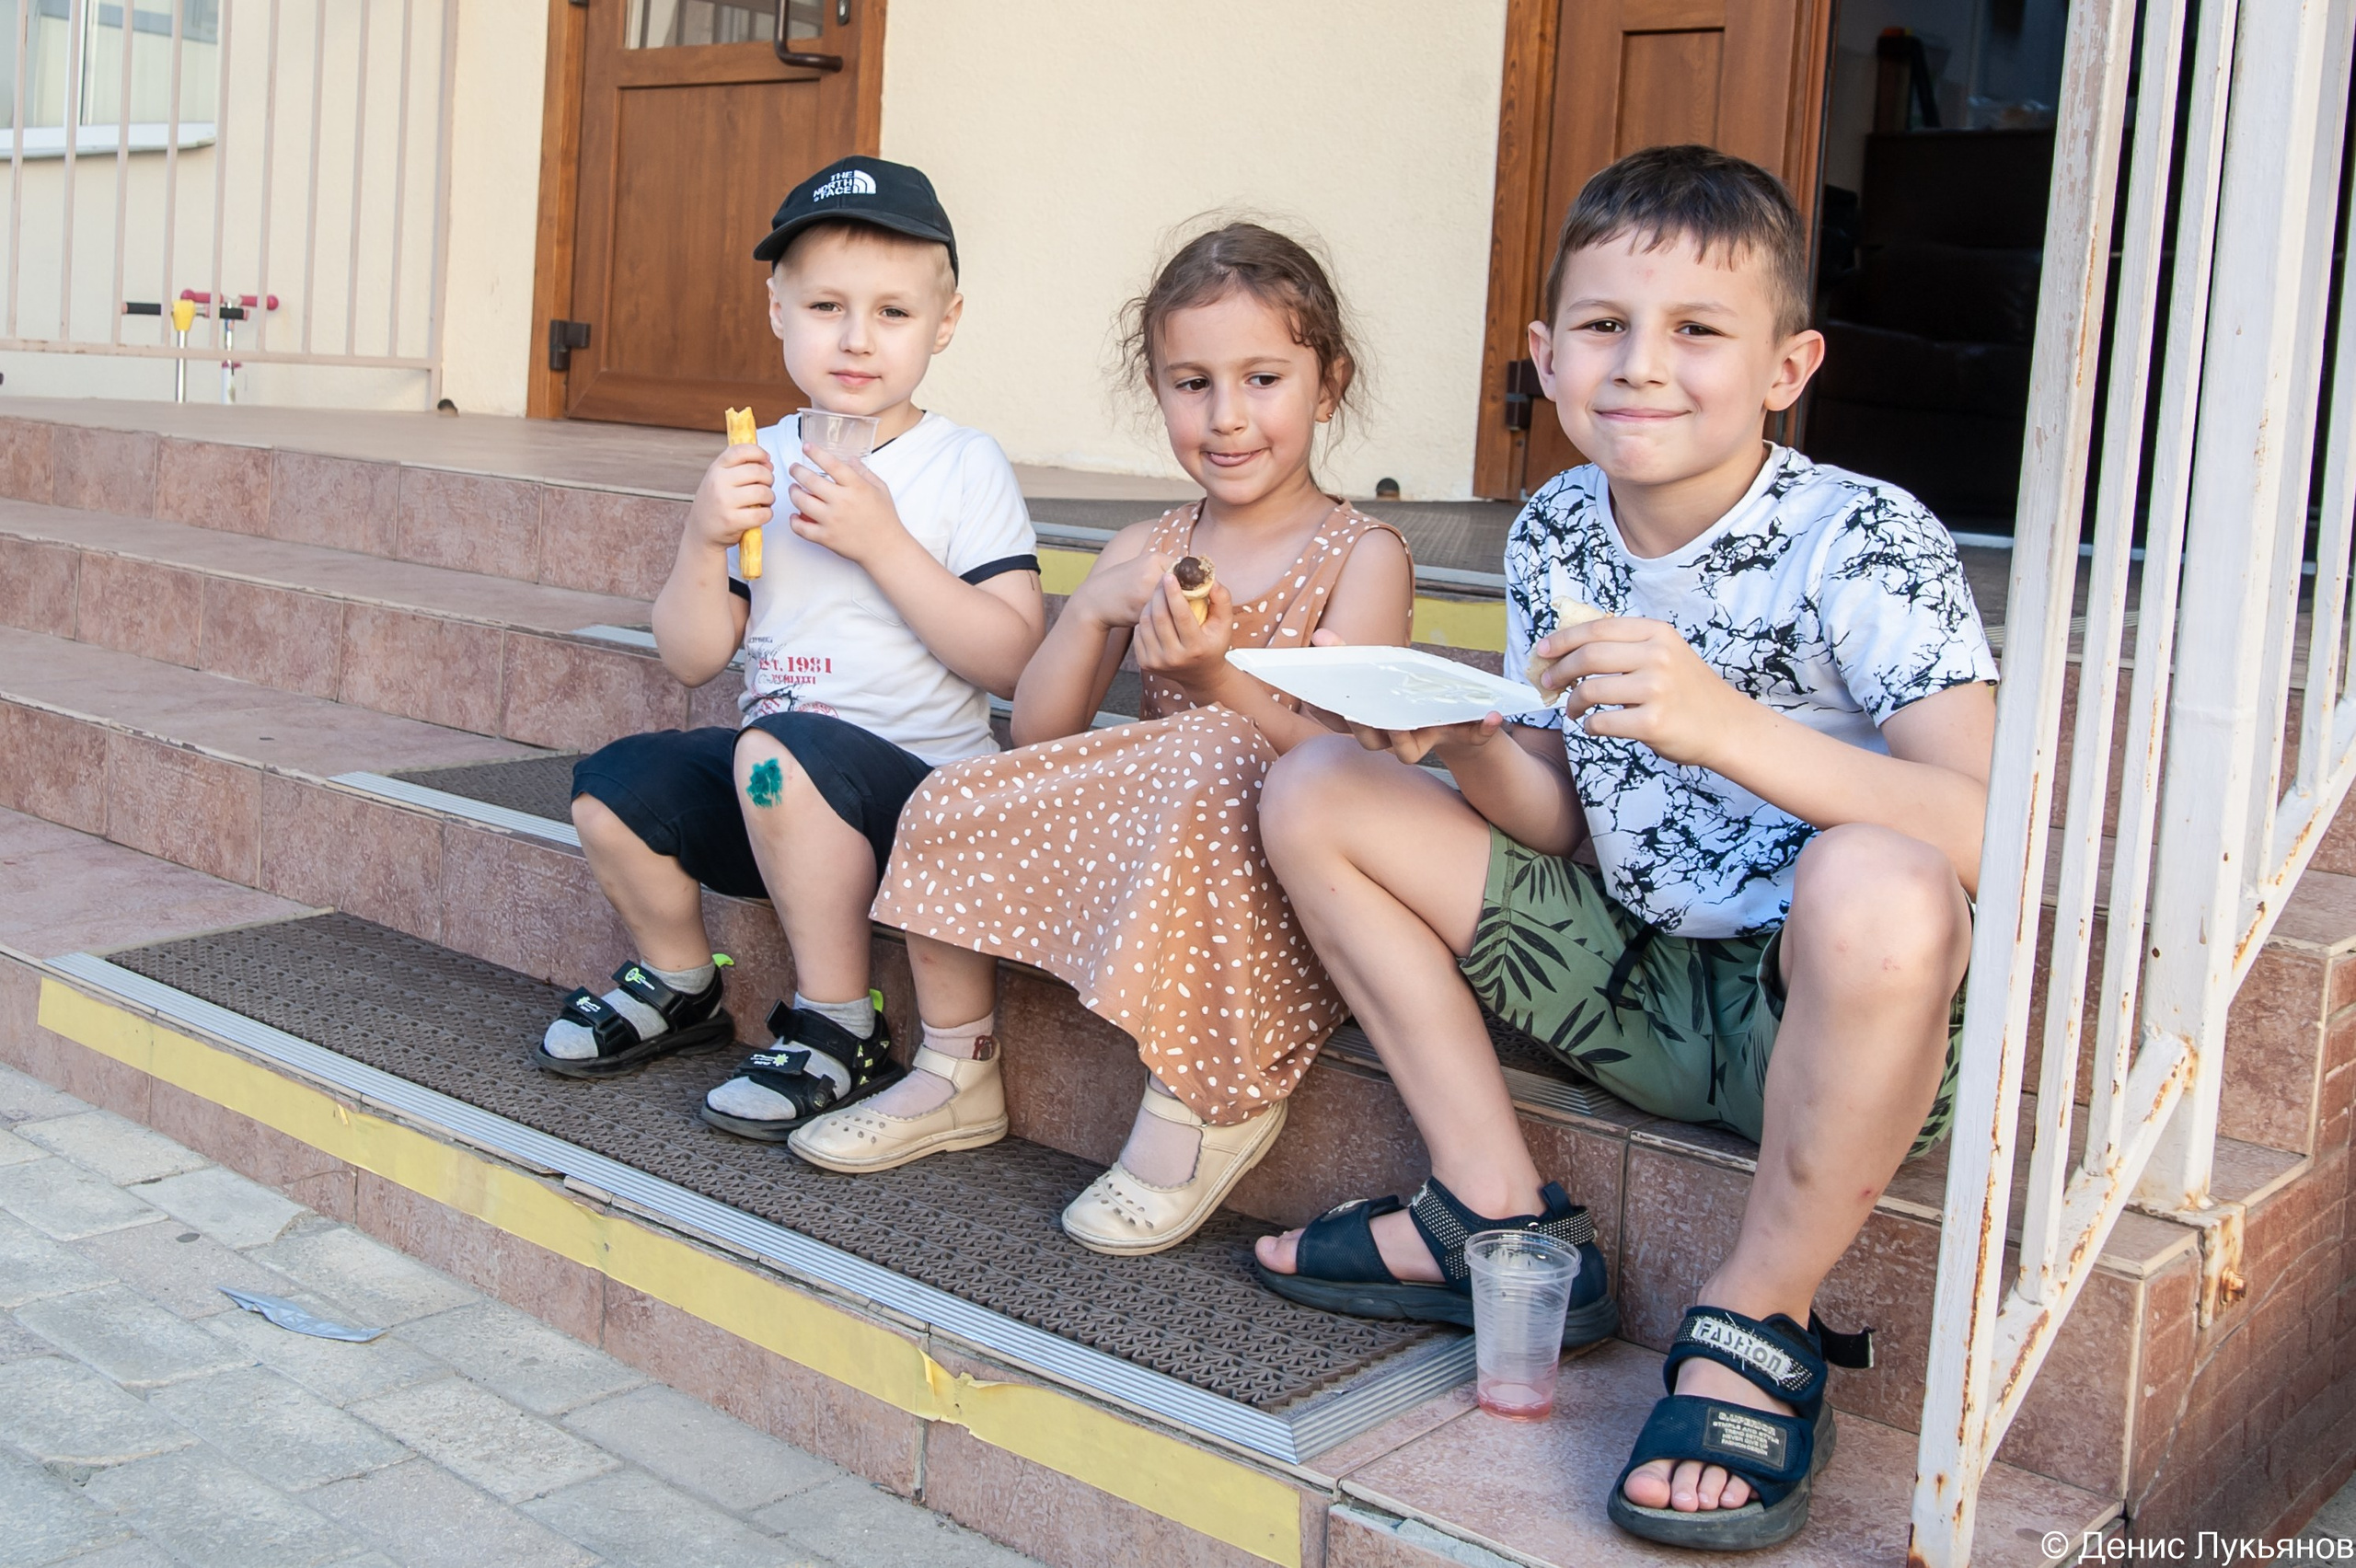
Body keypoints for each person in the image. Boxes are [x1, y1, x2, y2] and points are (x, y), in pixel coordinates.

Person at [1251, 145, 1996, 1551]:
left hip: (1830, 1014)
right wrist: (1473, 744)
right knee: (1317, 792)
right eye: (1604, 327)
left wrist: (1725, 726)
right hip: (1641, 976)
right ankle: (1492, 1212)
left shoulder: (1865, 539)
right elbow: (1572, 824)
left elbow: (1986, 830)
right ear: (1544, 355)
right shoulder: (1555, 530)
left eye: (1697, 332)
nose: (1641, 366)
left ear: (1789, 367)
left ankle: (1756, 1311)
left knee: (1880, 877)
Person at [785, 222, 1415, 1257]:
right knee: (952, 788)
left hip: (1295, 890)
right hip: (1166, 862)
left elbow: (1350, 760)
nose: (1226, 418)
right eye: (1191, 383)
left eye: (1262, 379)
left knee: (1213, 750)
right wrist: (1085, 617)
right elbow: (1038, 736)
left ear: (1327, 383)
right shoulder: (1147, 546)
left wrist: (1214, 678)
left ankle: (1207, 1098)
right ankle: (955, 1066)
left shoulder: (1361, 555)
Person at [534, 156, 1045, 1144]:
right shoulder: (754, 457)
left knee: (771, 758)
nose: (857, 339)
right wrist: (700, 538)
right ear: (777, 310)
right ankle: (685, 986)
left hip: (918, 802)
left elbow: (1014, 660)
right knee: (613, 788)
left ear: (946, 323)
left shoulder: (960, 464)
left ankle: (836, 1025)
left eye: (894, 313)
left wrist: (885, 544)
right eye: (825, 306)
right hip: (781, 796)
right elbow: (690, 658)